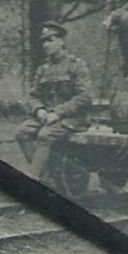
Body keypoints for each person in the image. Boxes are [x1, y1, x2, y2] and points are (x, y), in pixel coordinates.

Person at [14, 21, 94, 176]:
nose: (46, 45)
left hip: (72, 119)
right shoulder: (43, 69)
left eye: (50, 40)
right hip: (47, 118)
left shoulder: (76, 65)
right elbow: (33, 95)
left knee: (45, 135)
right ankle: (46, 173)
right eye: (44, 41)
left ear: (61, 41)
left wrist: (58, 113)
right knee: (21, 133)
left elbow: (85, 96)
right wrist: (39, 110)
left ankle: (35, 177)